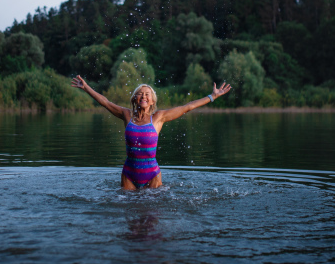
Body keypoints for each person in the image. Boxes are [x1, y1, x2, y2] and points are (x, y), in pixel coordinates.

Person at [71, 75, 231, 190]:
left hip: (152, 174)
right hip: (129, 173)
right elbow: (105, 102)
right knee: (128, 216)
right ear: (134, 99)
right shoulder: (127, 115)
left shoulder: (159, 118)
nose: (143, 96)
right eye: (140, 93)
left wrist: (212, 96)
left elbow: (187, 107)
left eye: (147, 94)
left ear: (152, 101)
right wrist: (86, 88)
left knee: (152, 216)